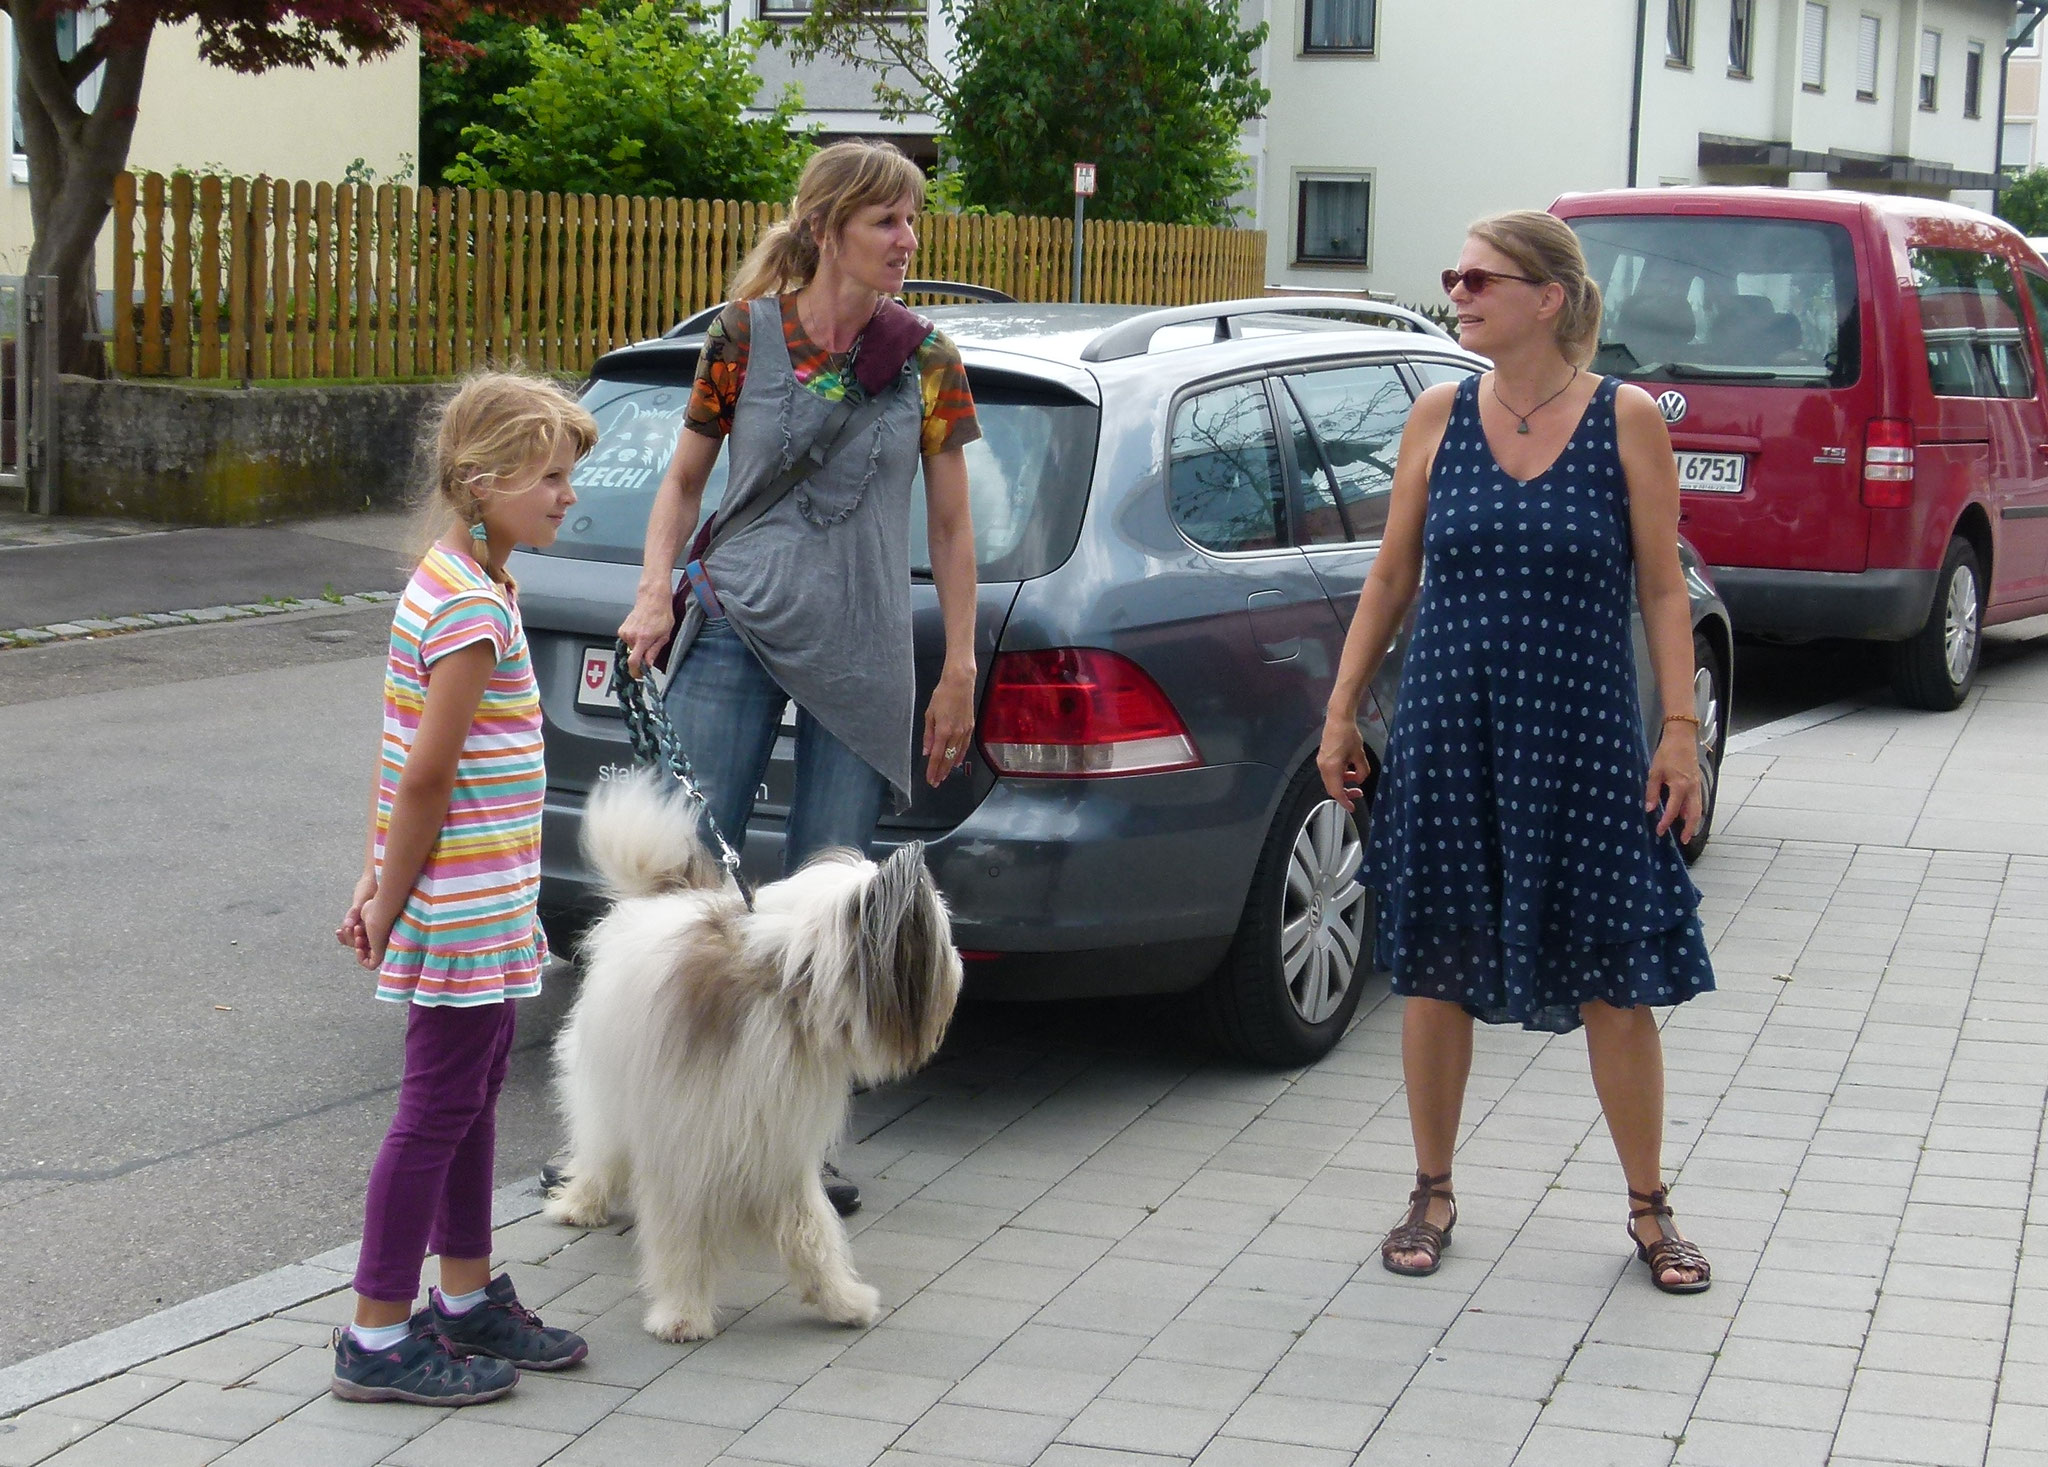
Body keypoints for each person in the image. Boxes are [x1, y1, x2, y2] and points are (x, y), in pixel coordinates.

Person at [1319, 211, 1715, 1295]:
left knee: (1613, 977)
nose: (1457, 290)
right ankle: (1430, 1189)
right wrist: (1341, 706)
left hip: (1583, 737)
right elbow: (1391, 580)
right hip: (1451, 730)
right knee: (1434, 966)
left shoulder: (1622, 420)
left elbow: (1660, 587)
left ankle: (1647, 1206)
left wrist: (1677, 731)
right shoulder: (1435, 416)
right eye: (1452, 275)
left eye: (1476, 277)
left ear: (1545, 297)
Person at [616, 141, 982, 1213]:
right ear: (826, 229)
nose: (908, 241)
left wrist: (955, 666)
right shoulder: (742, 337)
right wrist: (653, 591)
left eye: (912, 223)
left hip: (864, 648)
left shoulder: (926, 358)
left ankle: (796, 1148)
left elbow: (954, 526)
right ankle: (641, 1135)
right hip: (737, 622)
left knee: (833, 908)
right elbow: (683, 482)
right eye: (888, 223)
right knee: (681, 891)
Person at [331, 372, 599, 1406]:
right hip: (457, 902)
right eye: (551, 476)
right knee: (436, 1107)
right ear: (482, 483)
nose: (568, 494)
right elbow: (428, 774)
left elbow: (395, 759)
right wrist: (387, 899)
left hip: (486, 898)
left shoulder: (470, 584)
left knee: (473, 1095)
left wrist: (372, 870)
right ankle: (377, 1330)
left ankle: (466, 1290)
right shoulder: (468, 613)